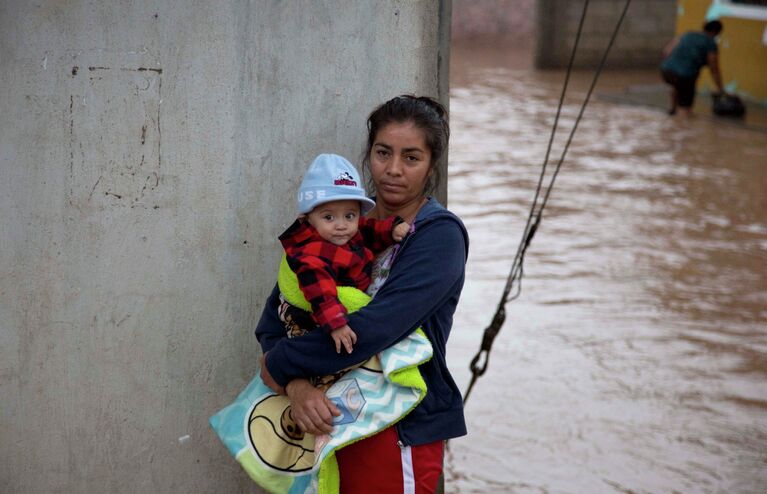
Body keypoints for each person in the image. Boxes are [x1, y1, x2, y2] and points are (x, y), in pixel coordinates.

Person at [256, 94, 469, 493]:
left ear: (431, 166)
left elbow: (374, 328)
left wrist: (282, 362)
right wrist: (296, 386)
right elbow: (280, 314)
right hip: (321, 423)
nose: (392, 170)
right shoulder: (338, 224)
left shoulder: (439, 236)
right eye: (383, 152)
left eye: (411, 158)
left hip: (398, 427)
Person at [278, 153, 410, 354]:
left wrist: (392, 229)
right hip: (322, 319)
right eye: (328, 217)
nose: (341, 225)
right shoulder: (311, 253)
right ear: (308, 218)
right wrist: (336, 323)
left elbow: (368, 229)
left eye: (350, 215)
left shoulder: (350, 231)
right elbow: (321, 291)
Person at [660, 20, 725, 117]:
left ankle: (672, 111)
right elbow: (714, 68)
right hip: (685, 77)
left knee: (677, 86)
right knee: (685, 109)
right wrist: (721, 89)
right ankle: (682, 126)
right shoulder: (710, 43)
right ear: (716, 32)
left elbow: (666, 51)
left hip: (666, 71)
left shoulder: (687, 35)